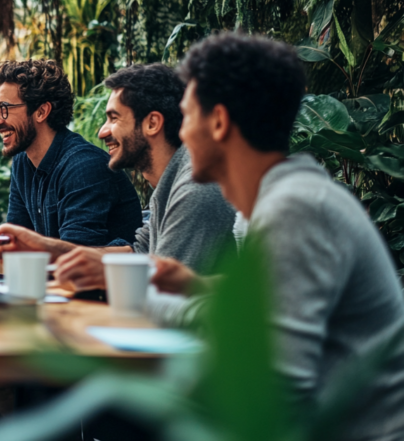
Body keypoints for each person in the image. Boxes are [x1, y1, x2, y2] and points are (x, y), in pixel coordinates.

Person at [153, 33, 404, 440]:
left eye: (188, 117)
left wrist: (148, 308)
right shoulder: (277, 203)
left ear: (218, 122)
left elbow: (269, 397)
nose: (182, 135)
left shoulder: (297, 209)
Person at [0, 64, 236, 290]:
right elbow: (140, 253)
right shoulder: (168, 186)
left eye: (114, 118)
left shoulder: (194, 189)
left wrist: (100, 273)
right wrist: (49, 248)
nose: (101, 132)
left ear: (152, 123)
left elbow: (167, 294)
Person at [0, 60, 142, 252]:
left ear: (41, 111)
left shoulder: (84, 166)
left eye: (4, 109)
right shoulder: (23, 162)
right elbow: (16, 245)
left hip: (110, 280)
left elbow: (76, 260)